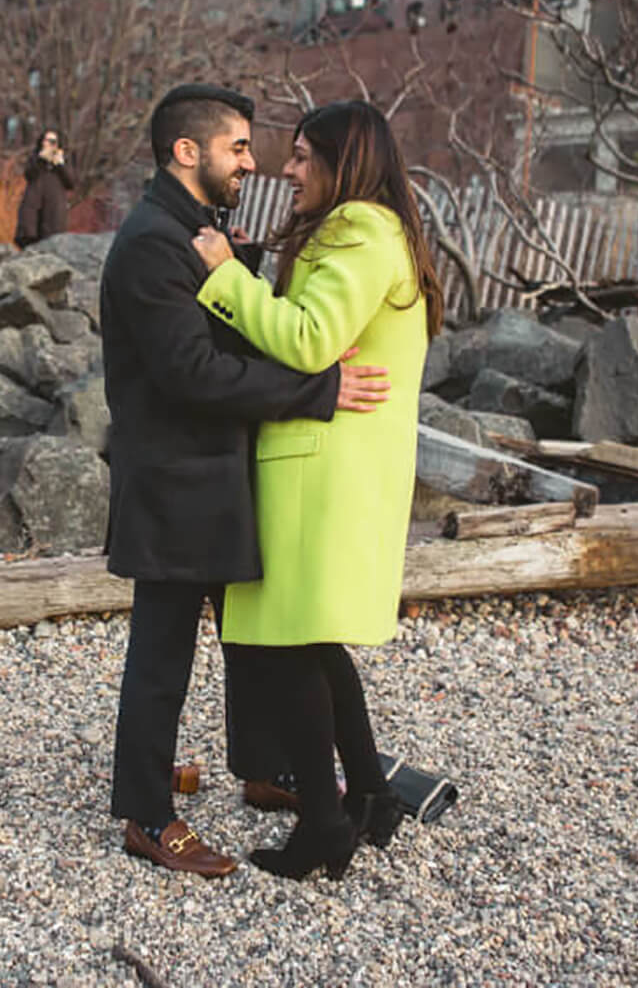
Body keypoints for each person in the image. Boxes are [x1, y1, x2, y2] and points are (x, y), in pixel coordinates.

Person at [101, 83, 391, 878]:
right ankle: (147, 814)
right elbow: (193, 371)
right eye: (237, 146)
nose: (252, 161)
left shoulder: (200, 229)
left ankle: (266, 768)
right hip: (171, 483)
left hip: (223, 473)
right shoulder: (148, 244)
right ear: (185, 152)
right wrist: (320, 389)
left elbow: (235, 310)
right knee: (161, 656)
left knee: (259, 639)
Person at [189, 99, 443, 880]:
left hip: (321, 466)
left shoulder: (360, 229)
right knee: (315, 638)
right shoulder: (376, 230)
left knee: (290, 644)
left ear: (345, 161)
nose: (287, 170)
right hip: (335, 464)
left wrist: (225, 277)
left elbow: (309, 338)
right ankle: (369, 792)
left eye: (302, 156)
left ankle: (325, 827)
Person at [14, 128, 73, 248]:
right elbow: (28, 174)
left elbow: (71, 183)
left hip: (53, 211)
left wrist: (60, 165)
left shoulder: (64, 161)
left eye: (53, 141)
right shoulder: (35, 159)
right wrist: (41, 160)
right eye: (47, 140)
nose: (49, 144)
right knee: (30, 240)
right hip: (34, 209)